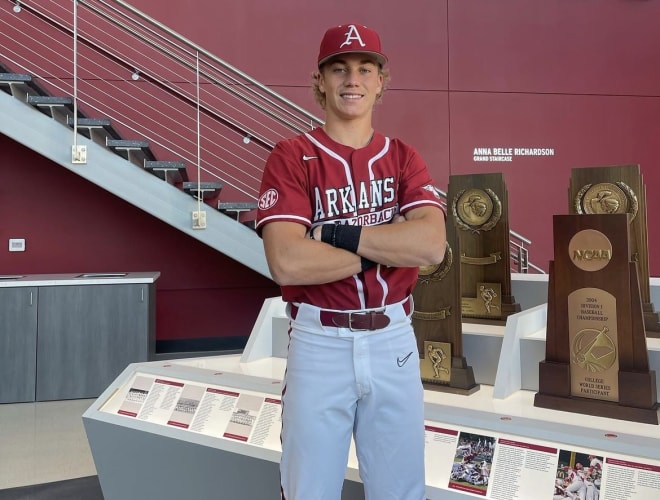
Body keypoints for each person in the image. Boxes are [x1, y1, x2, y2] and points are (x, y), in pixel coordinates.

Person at [256, 22, 446, 499]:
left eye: (365, 68)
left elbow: (429, 247)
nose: (352, 79)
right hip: (320, 342)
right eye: (338, 69)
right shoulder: (291, 155)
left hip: (394, 341)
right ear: (319, 80)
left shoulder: (403, 157)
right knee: (309, 490)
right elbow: (288, 262)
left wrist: (339, 235)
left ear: (382, 80)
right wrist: (386, 249)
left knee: (401, 491)